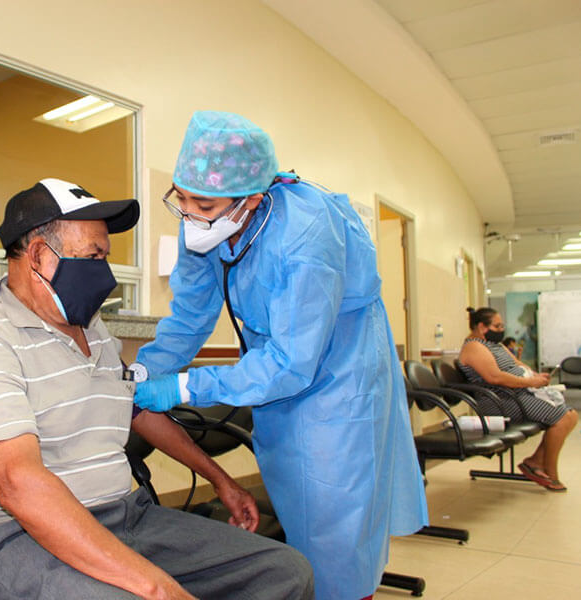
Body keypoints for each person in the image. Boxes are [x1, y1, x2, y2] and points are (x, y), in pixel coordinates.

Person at [0, 177, 313, 600]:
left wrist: (222, 481)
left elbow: (136, 409)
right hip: (21, 533)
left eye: (106, 257)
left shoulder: (90, 328)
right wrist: (154, 586)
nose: (104, 274)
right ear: (40, 256)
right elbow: (19, 485)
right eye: (93, 256)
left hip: (125, 517)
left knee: (284, 571)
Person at [130, 111, 428, 600]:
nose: (188, 213)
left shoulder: (305, 234)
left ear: (251, 198)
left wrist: (185, 386)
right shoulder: (207, 221)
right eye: (179, 197)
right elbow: (189, 316)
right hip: (278, 372)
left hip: (338, 377)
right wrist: (148, 366)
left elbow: (294, 361)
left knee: (336, 529)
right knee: (300, 513)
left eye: (202, 202)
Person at [458, 307, 578, 492]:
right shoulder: (474, 347)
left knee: (570, 416)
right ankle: (549, 472)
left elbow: (517, 364)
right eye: (497, 326)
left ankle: (536, 462)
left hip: (517, 395)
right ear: (482, 327)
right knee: (563, 417)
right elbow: (495, 377)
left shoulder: (495, 345)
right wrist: (529, 382)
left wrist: (536, 376)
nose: (501, 330)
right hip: (500, 401)